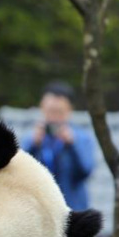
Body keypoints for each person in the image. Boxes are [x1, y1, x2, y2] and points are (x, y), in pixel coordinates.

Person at [21, 81, 95, 210]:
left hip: (72, 209)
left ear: (70, 110)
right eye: (50, 111)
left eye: (59, 112)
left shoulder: (81, 138)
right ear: (42, 107)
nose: (54, 117)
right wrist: (33, 145)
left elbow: (86, 171)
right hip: (40, 210)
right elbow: (19, 172)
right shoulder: (32, 138)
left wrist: (72, 145)